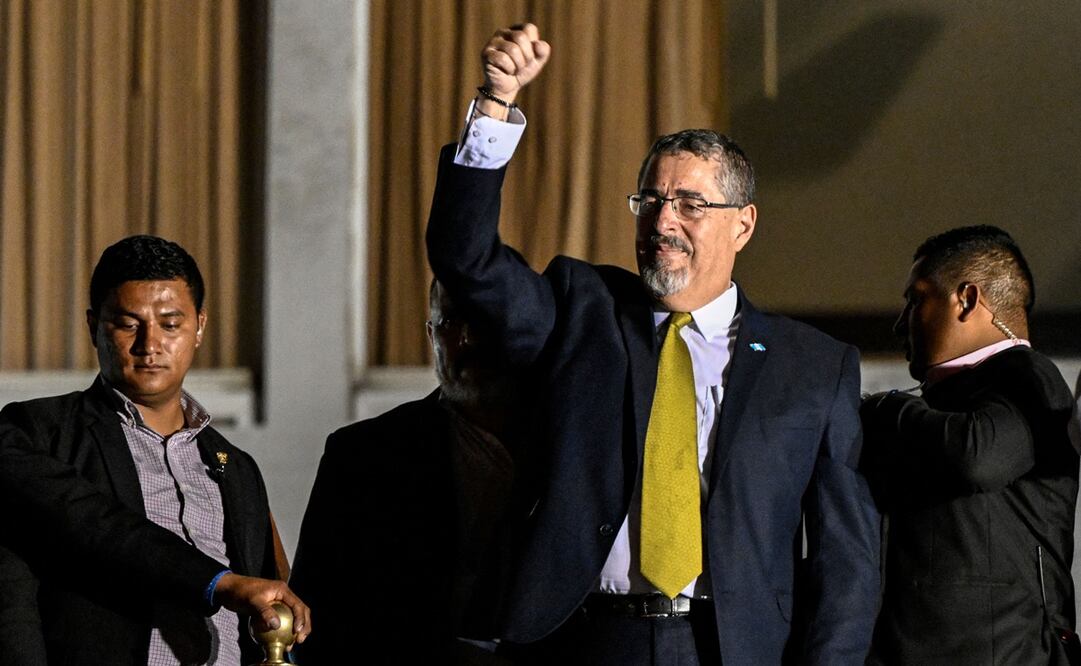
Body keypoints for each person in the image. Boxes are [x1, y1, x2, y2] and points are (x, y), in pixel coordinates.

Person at [424, 23, 880, 665]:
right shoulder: (581, 311)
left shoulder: (813, 367)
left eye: (691, 204)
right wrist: (496, 104)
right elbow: (464, 258)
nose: (663, 221)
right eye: (651, 201)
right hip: (585, 643)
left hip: (729, 649)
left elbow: (845, 561)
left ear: (743, 224)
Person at [0, 235, 311, 665]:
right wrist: (219, 583)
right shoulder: (35, 433)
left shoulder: (236, 467)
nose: (150, 345)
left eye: (170, 324)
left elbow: (272, 603)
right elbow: (97, 528)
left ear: (199, 326)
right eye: (128, 324)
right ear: (93, 327)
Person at [861, 225, 1081, 665]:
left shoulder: (1028, 375)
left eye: (916, 300)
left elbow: (978, 456)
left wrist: (885, 406)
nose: (901, 322)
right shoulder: (934, 408)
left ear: (966, 299)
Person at [290, 279, 525, 664]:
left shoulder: (567, 447)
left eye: (486, 320)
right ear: (432, 335)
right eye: (452, 323)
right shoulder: (363, 454)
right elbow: (317, 618)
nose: (469, 340)